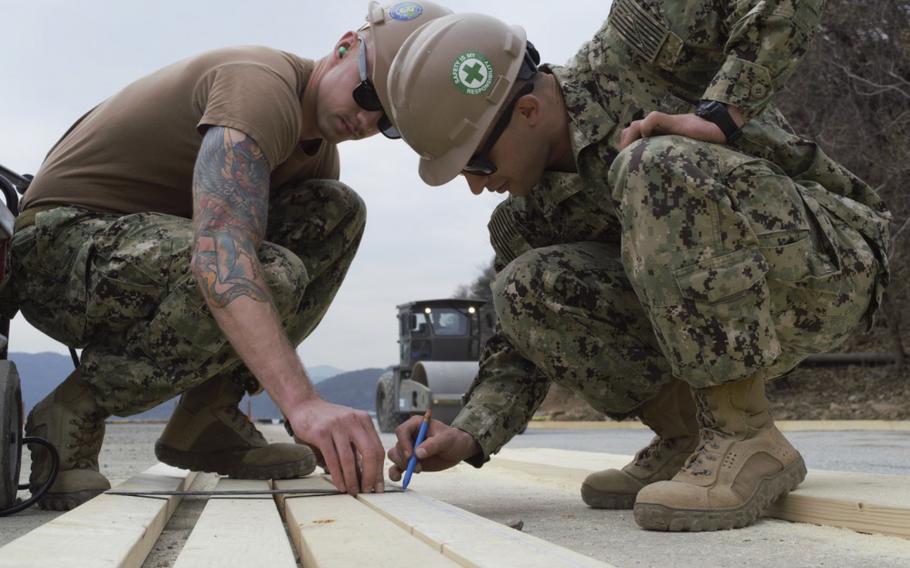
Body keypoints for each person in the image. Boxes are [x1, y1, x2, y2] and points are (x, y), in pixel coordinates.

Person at [384, 3, 891, 532]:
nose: (475, 185)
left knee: (652, 164)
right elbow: (518, 348)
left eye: (477, 163)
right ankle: (692, 437)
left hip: (828, 261)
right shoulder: (530, 215)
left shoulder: (639, 43)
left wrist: (723, 111)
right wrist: (468, 433)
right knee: (525, 287)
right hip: (737, 309)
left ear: (529, 110)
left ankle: (745, 435)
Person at [5, 0, 452, 511]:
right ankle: (73, 408)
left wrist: (311, 424)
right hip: (57, 250)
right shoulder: (259, 85)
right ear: (345, 46)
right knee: (264, 270)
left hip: (136, 255)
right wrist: (302, 404)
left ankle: (208, 416)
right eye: (369, 92)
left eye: (388, 120)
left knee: (335, 212)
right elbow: (222, 250)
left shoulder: (318, 154)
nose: (368, 119)